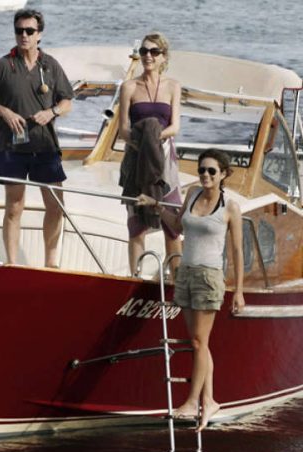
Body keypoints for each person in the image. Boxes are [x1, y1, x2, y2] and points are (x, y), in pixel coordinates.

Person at [139, 149, 245, 430]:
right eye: (201, 170)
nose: (205, 175)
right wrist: (156, 205)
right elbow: (177, 225)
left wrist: (239, 291)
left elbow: (236, 251)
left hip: (209, 278)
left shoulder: (230, 207)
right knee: (199, 342)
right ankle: (209, 400)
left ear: (223, 174)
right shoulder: (193, 195)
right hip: (185, 274)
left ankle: (191, 401)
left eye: (211, 171)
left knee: (198, 342)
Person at [0, 8, 74, 268]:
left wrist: (51, 112)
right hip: (11, 146)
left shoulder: (50, 65)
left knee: (55, 205)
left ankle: (51, 263)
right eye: (19, 31)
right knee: (14, 206)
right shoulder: (2, 66)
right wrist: (4, 111)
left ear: (39, 34)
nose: (24, 36)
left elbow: (67, 102)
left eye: (30, 31)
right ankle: (12, 263)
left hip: (44, 146)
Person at [119, 33, 183, 277]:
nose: (148, 56)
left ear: (163, 57)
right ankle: (135, 278)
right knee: (136, 225)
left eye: (154, 52)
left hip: (165, 158)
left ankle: (176, 281)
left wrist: (154, 139)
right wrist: (142, 143)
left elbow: (175, 126)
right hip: (136, 157)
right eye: (144, 51)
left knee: (172, 224)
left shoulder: (173, 86)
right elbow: (123, 130)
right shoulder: (129, 87)